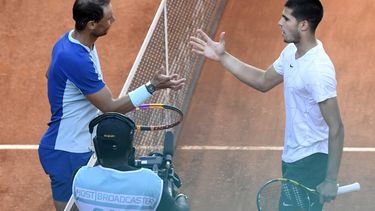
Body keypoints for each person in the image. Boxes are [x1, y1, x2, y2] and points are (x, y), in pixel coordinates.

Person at [190, 0, 344, 210]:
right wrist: (222, 57)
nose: (279, 22)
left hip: (309, 160)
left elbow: (336, 127)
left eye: (286, 18)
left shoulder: (318, 70)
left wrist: (330, 180)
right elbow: (263, 80)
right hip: (293, 155)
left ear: (304, 25)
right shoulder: (291, 52)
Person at [38, 0, 186, 210]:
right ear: (91, 24)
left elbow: (49, 74)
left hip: (80, 143)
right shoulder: (75, 58)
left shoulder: (69, 42)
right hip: (67, 152)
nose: (113, 21)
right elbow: (112, 108)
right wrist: (152, 86)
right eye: (108, 18)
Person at [72, 112, 190, 211]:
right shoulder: (150, 182)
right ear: (130, 149)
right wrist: (179, 196)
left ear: (96, 146)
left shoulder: (79, 177)